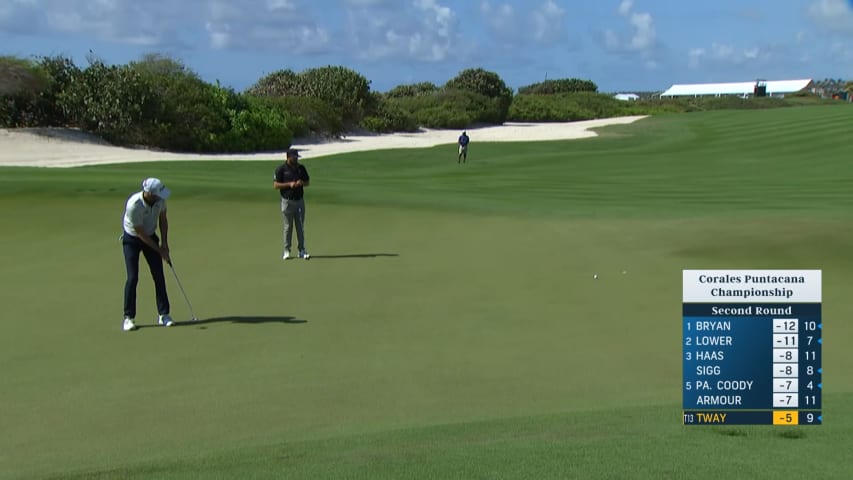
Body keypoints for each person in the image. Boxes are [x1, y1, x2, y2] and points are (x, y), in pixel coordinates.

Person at [121, 178, 173, 331]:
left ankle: (164, 314)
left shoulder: (160, 200)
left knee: (159, 275)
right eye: (158, 194)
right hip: (132, 239)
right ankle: (128, 318)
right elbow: (140, 233)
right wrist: (159, 251)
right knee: (132, 277)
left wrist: (164, 243)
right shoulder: (134, 204)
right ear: (149, 193)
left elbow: (163, 221)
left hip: (150, 234)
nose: (161, 196)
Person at [274, 148, 311, 260]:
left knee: (300, 227)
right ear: (288, 157)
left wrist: (302, 183)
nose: (296, 159)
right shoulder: (281, 169)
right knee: (288, 227)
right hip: (287, 201)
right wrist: (289, 184)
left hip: (299, 201)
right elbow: (275, 185)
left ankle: (302, 250)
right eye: (294, 157)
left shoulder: (301, 168)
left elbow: (308, 182)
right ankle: (286, 250)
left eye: (296, 157)